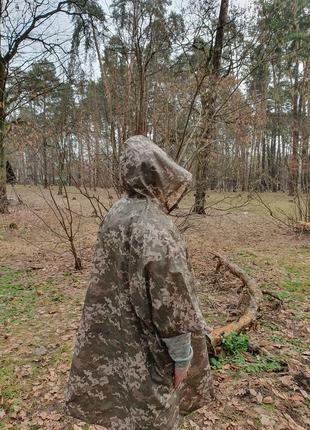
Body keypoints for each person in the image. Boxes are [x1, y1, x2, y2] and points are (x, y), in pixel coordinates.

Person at [65, 135, 213, 430]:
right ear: (157, 173)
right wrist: (182, 357)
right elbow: (171, 302)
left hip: (117, 343)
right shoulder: (155, 226)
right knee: (151, 416)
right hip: (148, 352)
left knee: (123, 409)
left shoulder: (115, 213)